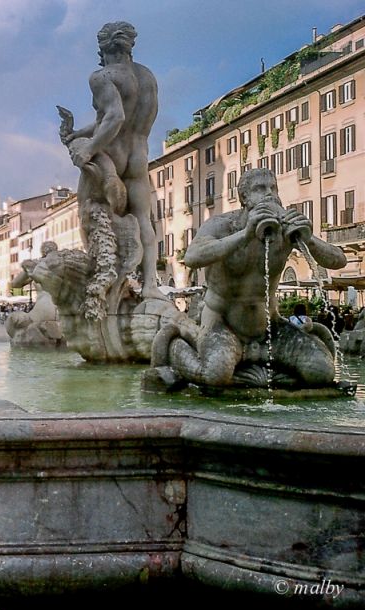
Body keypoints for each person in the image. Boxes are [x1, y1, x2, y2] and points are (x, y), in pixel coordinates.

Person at [168, 168, 346, 387]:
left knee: (323, 371)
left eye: (273, 188)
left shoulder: (285, 228)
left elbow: (339, 261)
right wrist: (245, 234)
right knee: (216, 374)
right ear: (244, 197)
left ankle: (264, 377)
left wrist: (308, 240)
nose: (269, 194)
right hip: (223, 326)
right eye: (260, 189)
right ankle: (177, 348)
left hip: (269, 329)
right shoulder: (223, 225)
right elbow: (193, 256)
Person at [62, 21, 163, 301]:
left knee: (88, 211)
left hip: (113, 154)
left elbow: (115, 118)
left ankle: (99, 280)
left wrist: (88, 147)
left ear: (103, 48)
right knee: (144, 218)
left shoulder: (101, 76)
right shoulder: (148, 77)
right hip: (139, 155)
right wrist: (77, 133)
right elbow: (114, 120)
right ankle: (151, 286)